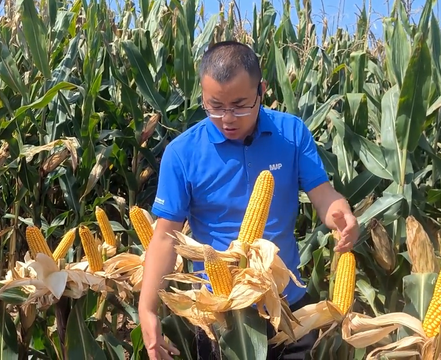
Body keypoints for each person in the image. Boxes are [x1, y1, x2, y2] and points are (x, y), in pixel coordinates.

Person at [137, 41, 360, 360]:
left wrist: (340, 214)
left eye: (240, 105)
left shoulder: (291, 133)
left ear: (262, 91)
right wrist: (147, 309)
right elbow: (164, 237)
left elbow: (324, 195)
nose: (227, 118)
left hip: (286, 305)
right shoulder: (182, 153)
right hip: (220, 310)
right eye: (215, 106)